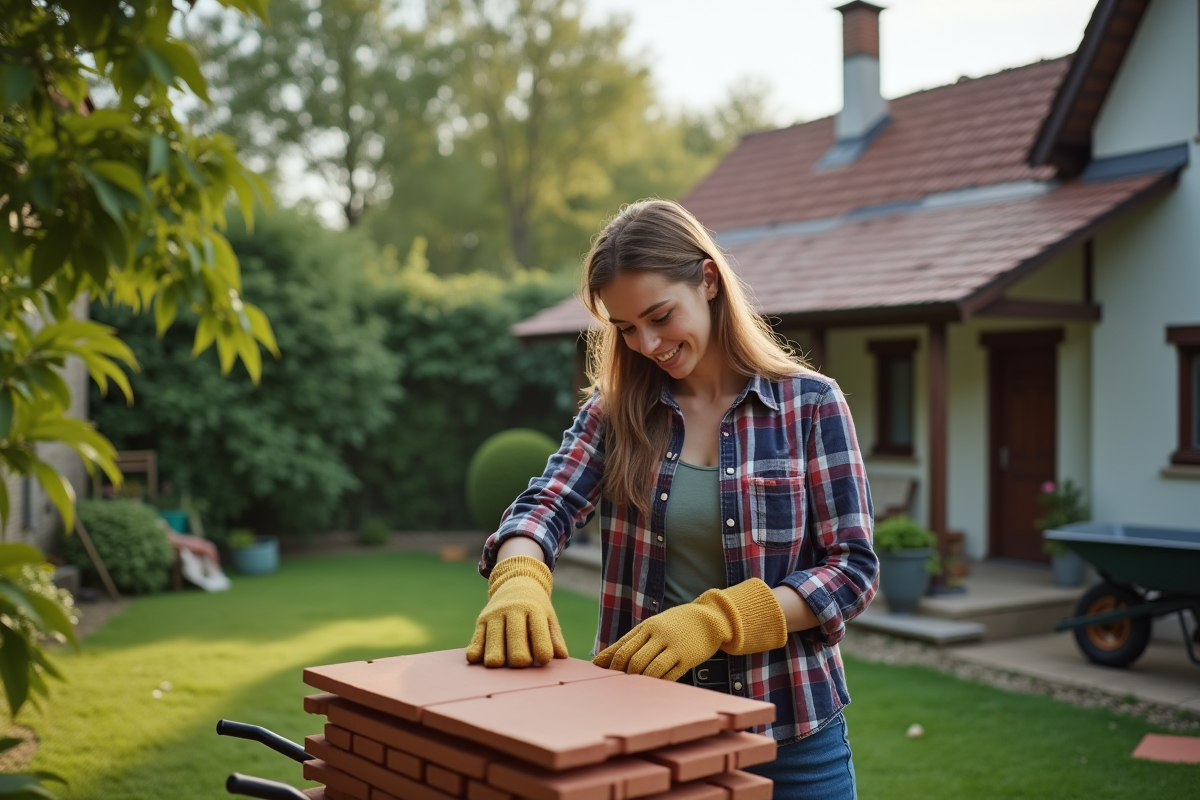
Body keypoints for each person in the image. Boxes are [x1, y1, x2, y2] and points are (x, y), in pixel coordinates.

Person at [467, 199, 878, 800]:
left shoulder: (810, 405)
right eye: (626, 328)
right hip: (645, 725)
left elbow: (852, 570)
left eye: (660, 315)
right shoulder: (614, 414)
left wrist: (719, 619)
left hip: (790, 731)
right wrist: (519, 573)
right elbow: (546, 504)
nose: (648, 343)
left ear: (707, 280)